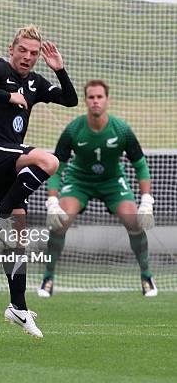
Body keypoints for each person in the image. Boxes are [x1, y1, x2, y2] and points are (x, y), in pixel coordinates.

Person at [0, 24, 78, 339]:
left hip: (10, 162)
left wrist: (60, 69)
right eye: (23, 51)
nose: (27, 57)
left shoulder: (37, 82)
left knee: (17, 235)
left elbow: (69, 100)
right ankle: (2, 209)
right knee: (50, 160)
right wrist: (8, 94)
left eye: (33, 53)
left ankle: (18, 307)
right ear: (12, 48)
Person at [39, 79, 156, 297]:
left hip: (112, 181)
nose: (95, 101)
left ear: (107, 100)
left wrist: (147, 200)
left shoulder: (121, 130)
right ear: (85, 100)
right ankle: (48, 277)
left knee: (135, 222)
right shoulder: (73, 129)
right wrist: (52, 201)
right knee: (59, 222)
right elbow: (57, 167)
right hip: (79, 180)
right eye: (91, 97)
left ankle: (146, 276)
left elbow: (140, 165)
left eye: (99, 97)